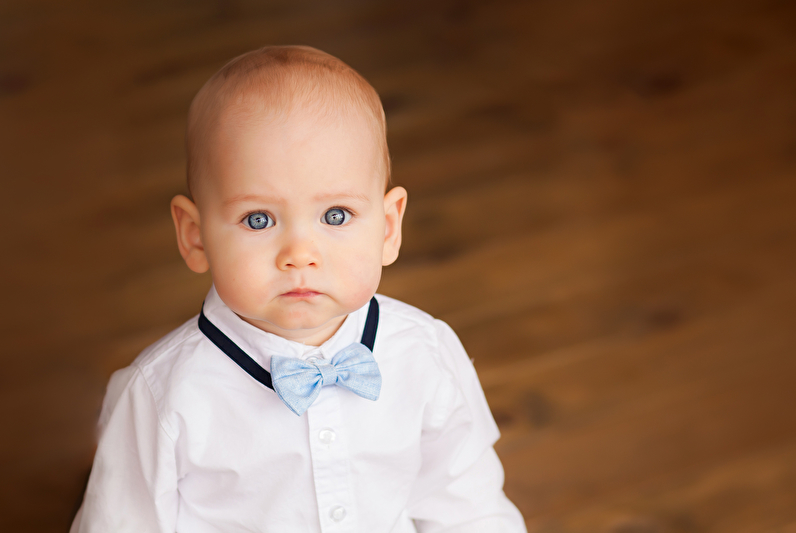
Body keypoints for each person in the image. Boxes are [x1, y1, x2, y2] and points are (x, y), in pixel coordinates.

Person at [70, 45, 526, 533]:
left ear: (389, 228)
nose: (300, 254)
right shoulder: (164, 395)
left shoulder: (424, 353)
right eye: (258, 219)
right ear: (195, 236)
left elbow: (468, 506)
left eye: (336, 215)